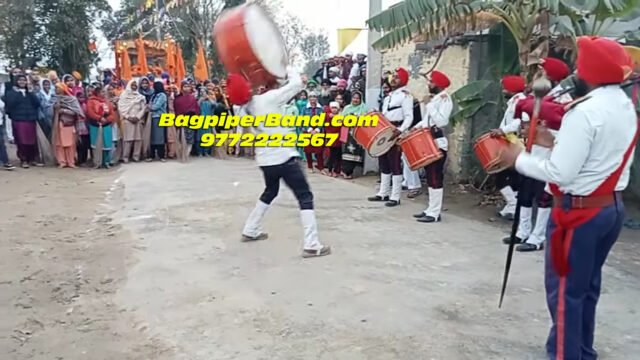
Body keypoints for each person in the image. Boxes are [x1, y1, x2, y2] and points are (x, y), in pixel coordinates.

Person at [499, 36, 637, 360]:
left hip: (580, 214)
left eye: (580, 64)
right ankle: (582, 351)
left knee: (564, 295)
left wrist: (517, 158)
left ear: (588, 70)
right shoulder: (624, 105)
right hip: (610, 208)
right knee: (585, 289)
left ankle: (565, 355)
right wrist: (554, 139)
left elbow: (561, 173)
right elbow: (599, 153)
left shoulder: (584, 112)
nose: (576, 70)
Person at [227, 68, 331, 258]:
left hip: (265, 160)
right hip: (284, 157)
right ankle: (312, 244)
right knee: (305, 196)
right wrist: (286, 68)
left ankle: (250, 229)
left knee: (270, 191)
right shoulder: (266, 100)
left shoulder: (242, 110)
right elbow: (296, 85)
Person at [506, 57, 571, 252]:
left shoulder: (563, 99)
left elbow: (564, 128)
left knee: (543, 196)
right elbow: (524, 118)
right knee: (525, 193)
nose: (537, 73)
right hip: (531, 150)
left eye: (541, 70)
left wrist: (547, 135)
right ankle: (522, 231)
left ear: (550, 76)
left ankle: (537, 237)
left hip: (548, 153)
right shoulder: (535, 95)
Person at [368, 68, 413, 207]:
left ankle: (395, 196)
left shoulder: (405, 96)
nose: (393, 79)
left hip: (396, 131)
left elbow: (409, 117)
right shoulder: (388, 97)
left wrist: (400, 131)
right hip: (385, 130)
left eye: (397, 78)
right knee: (384, 163)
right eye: (393, 77)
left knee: (395, 164)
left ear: (403, 81)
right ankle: (383, 193)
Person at [412, 70, 453, 222]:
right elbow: (427, 122)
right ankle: (430, 208)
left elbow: (441, 121)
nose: (429, 84)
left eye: (431, 82)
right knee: (430, 176)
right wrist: (415, 128)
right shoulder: (436, 99)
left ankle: (435, 213)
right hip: (429, 140)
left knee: (436, 177)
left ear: (439, 85)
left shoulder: (444, 99)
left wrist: (429, 106)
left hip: (437, 142)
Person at [490, 75, 528, 220]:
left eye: (505, 88)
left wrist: (502, 131)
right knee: (512, 176)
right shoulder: (515, 101)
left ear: (511, 89)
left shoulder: (520, 101)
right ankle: (512, 206)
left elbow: (519, 122)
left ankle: (513, 204)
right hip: (510, 140)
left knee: (500, 174)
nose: (503, 91)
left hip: (514, 141)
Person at [3, 74, 42, 168]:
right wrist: (17, 93)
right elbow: (10, 105)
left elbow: (37, 104)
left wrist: (30, 92)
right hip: (18, 119)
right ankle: (23, 159)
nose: (22, 82)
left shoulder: (29, 92)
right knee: (21, 140)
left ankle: (32, 159)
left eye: (24, 80)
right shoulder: (10, 92)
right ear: (16, 81)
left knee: (32, 141)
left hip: (30, 119)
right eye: (20, 80)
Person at [51, 83, 83, 168]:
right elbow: (49, 112)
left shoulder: (72, 99)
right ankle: (62, 162)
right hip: (59, 123)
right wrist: (55, 108)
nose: (56, 90)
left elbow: (76, 112)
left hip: (70, 124)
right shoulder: (54, 99)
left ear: (63, 89)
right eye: (55, 88)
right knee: (60, 143)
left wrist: (63, 110)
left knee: (71, 144)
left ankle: (71, 162)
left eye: (58, 88)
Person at [86, 85, 115, 169]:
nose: (104, 93)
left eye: (104, 92)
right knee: (96, 144)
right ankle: (97, 162)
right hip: (95, 125)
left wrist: (107, 119)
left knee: (107, 144)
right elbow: (90, 112)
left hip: (106, 125)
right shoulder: (91, 101)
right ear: (98, 93)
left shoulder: (107, 102)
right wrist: (99, 118)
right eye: (102, 92)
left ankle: (106, 162)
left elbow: (112, 114)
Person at [118, 80, 146, 162]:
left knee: (138, 139)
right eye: (132, 85)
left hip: (138, 120)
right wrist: (128, 117)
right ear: (129, 85)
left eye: (135, 85)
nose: (134, 87)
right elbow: (121, 108)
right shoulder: (123, 96)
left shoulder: (140, 97)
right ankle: (125, 157)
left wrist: (138, 117)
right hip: (128, 120)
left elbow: (143, 108)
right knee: (128, 139)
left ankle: (136, 156)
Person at [340, 90, 366, 179]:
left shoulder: (364, 108)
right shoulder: (347, 108)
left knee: (356, 152)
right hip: (348, 133)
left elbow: (366, 120)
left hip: (358, 134)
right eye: (354, 98)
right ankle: (345, 171)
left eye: (357, 98)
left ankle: (350, 171)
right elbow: (341, 119)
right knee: (346, 151)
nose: (355, 100)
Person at [173, 81, 200, 156]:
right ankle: (181, 152)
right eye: (185, 86)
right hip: (180, 120)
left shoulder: (192, 98)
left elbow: (196, 108)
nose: (187, 88)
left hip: (190, 120)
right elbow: (176, 109)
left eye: (188, 86)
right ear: (181, 88)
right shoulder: (177, 99)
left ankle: (187, 154)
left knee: (190, 138)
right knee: (181, 137)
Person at [302, 91, 325, 172]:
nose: (313, 98)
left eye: (314, 96)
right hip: (307, 130)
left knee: (319, 150)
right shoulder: (304, 108)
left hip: (318, 131)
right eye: (311, 97)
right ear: (309, 98)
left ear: (316, 98)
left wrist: (317, 129)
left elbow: (322, 120)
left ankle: (321, 167)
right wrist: (309, 129)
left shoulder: (321, 109)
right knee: (308, 150)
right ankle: (310, 166)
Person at [148, 81, 167, 161]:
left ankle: (161, 155)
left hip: (159, 117)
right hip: (152, 117)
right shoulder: (154, 95)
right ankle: (152, 155)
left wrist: (149, 106)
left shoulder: (162, 95)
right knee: (152, 137)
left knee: (160, 137)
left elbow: (156, 106)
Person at [323, 101, 343, 177]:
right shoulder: (328, 116)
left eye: (335, 108)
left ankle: (335, 170)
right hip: (331, 137)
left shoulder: (340, 116)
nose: (334, 110)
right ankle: (330, 170)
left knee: (338, 155)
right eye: (333, 108)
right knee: (331, 155)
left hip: (338, 138)